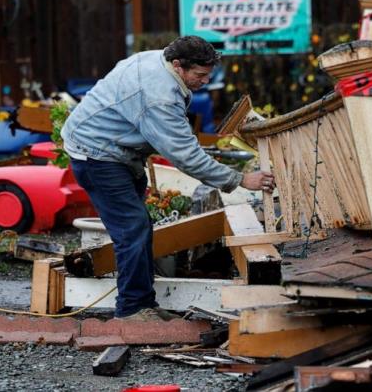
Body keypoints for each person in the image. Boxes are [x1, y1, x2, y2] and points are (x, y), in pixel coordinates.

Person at [62, 36, 274, 321]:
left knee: (139, 227)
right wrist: (239, 179)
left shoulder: (159, 61)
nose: (204, 81)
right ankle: (132, 310)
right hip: (97, 156)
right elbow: (184, 155)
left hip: (117, 152)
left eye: (208, 74)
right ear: (178, 65)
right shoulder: (159, 96)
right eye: (199, 75)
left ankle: (142, 302)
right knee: (132, 229)